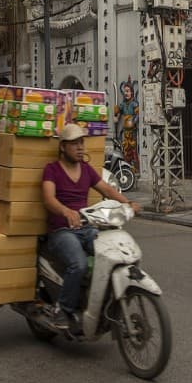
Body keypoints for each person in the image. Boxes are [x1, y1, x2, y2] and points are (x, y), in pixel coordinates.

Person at [41, 123, 139, 331]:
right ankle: (63, 310)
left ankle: (104, 304)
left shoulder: (86, 170)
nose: (80, 148)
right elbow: (49, 199)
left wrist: (127, 203)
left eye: (81, 143)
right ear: (63, 147)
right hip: (61, 231)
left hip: (86, 228)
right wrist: (66, 211)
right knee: (79, 264)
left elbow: (107, 189)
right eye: (74, 144)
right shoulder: (52, 170)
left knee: (114, 254)